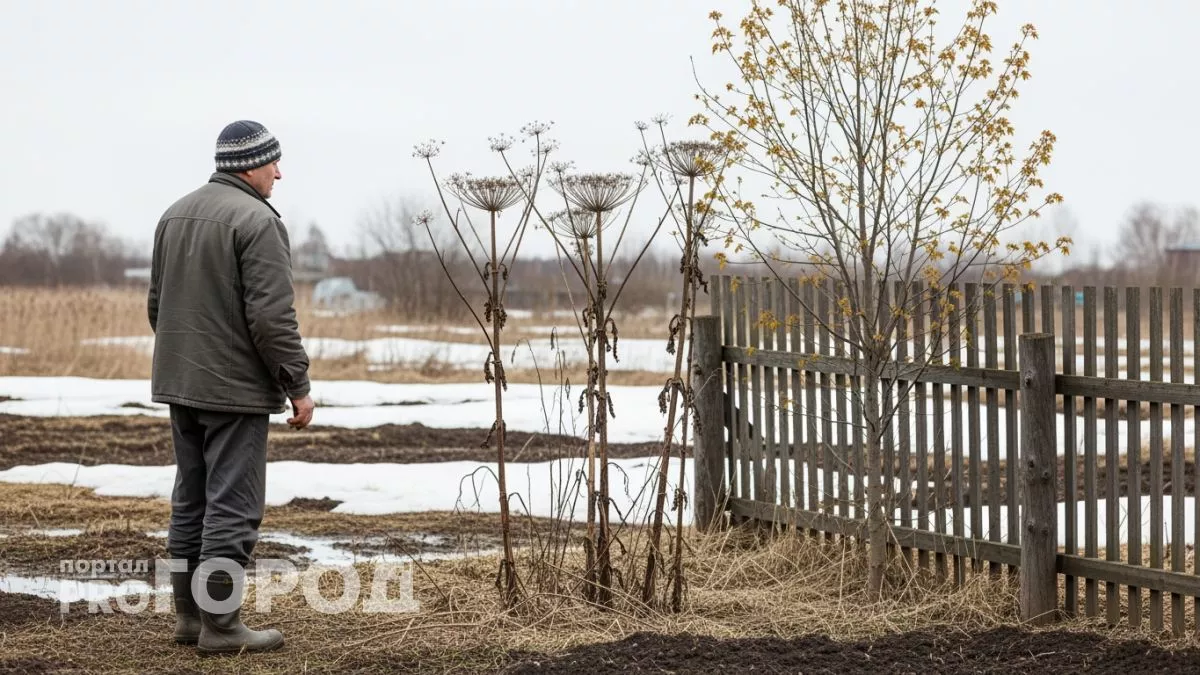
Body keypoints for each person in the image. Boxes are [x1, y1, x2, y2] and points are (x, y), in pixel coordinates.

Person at [147, 120, 315, 654]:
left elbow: (157, 305)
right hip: (234, 390)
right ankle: (221, 626)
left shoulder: (175, 213)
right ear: (250, 165)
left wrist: (187, 363)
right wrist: (298, 385)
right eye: (273, 163)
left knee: (190, 500)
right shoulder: (258, 221)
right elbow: (272, 318)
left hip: (180, 383)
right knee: (233, 507)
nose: (279, 173)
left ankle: (189, 620)